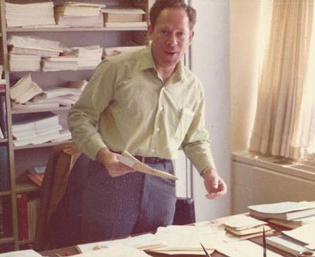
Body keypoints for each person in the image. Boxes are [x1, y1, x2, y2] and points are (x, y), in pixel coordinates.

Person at [57, 0, 227, 246]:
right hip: (114, 176)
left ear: (191, 36)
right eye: (165, 32)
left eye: (180, 34)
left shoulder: (192, 86)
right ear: (150, 31)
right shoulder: (116, 69)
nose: (173, 41)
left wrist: (209, 172)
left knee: (157, 249)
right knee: (106, 250)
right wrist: (103, 155)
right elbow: (80, 116)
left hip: (162, 181)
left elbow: (195, 138)